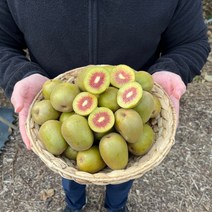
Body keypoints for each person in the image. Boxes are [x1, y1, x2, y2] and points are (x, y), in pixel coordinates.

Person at [0, 1, 210, 212]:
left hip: (134, 106)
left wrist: (172, 69)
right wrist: (18, 74)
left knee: (121, 170)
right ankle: (74, 205)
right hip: (61, 111)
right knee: (71, 172)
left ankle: (116, 207)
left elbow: (190, 41)